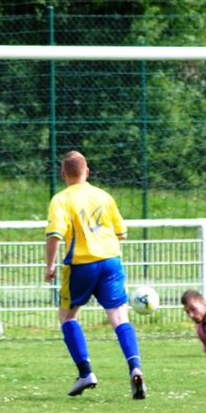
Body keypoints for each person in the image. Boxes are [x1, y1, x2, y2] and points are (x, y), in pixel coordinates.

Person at [44, 151, 145, 399]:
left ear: (63, 174)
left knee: (67, 316)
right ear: (87, 172)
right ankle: (135, 367)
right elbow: (122, 233)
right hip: (111, 261)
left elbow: (55, 235)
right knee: (119, 317)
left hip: (82, 264)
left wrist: (50, 265)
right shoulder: (103, 196)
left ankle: (85, 372)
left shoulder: (61, 199)